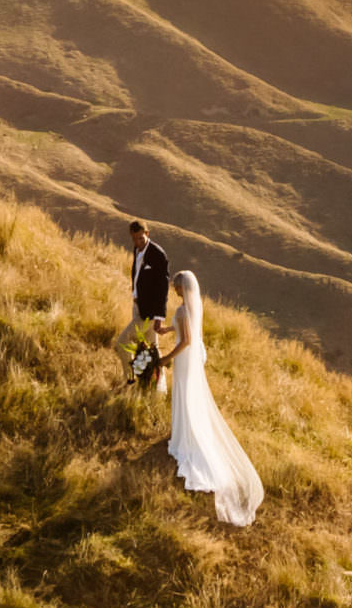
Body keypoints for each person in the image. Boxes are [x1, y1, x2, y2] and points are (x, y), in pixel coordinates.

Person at [161, 270, 263, 527]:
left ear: (182, 288)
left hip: (185, 359)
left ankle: (187, 437)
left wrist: (165, 358)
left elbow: (185, 340)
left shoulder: (184, 309)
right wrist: (165, 329)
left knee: (184, 394)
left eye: (176, 286)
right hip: (192, 359)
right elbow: (184, 326)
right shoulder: (190, 308)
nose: (174, 290)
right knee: (187, 395)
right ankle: (185, 431)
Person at [113, 218, 172, 376]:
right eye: (134, 238)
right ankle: (155, 389)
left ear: (147, 233)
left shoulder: (157, 254)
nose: (137, 242)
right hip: (138, 307)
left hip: (149, 313)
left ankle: (130, 380)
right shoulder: (136, 249)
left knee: (122, 343)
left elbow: (163, 287)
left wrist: (159, 316)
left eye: (140, 238)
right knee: (150, 351)